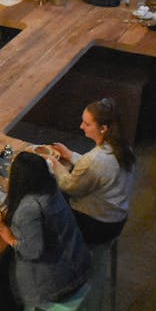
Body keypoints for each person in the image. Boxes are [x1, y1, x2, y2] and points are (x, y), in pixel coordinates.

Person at [0, 151, 91, 305]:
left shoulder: (28, 208)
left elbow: (33, 251)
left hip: (58, 283)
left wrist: (11, 239)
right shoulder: (52, 189)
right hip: (79, 262)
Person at [46, 97, 135, 245]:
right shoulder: (123, 147)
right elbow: (97, 168)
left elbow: (70, 187)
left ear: (103, 128)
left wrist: (54, 163)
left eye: (87, 124)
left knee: (45, 199)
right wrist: (69, 154)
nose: (81, 126)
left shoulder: (95, 159)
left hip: (98, 225)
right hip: (117, 217)